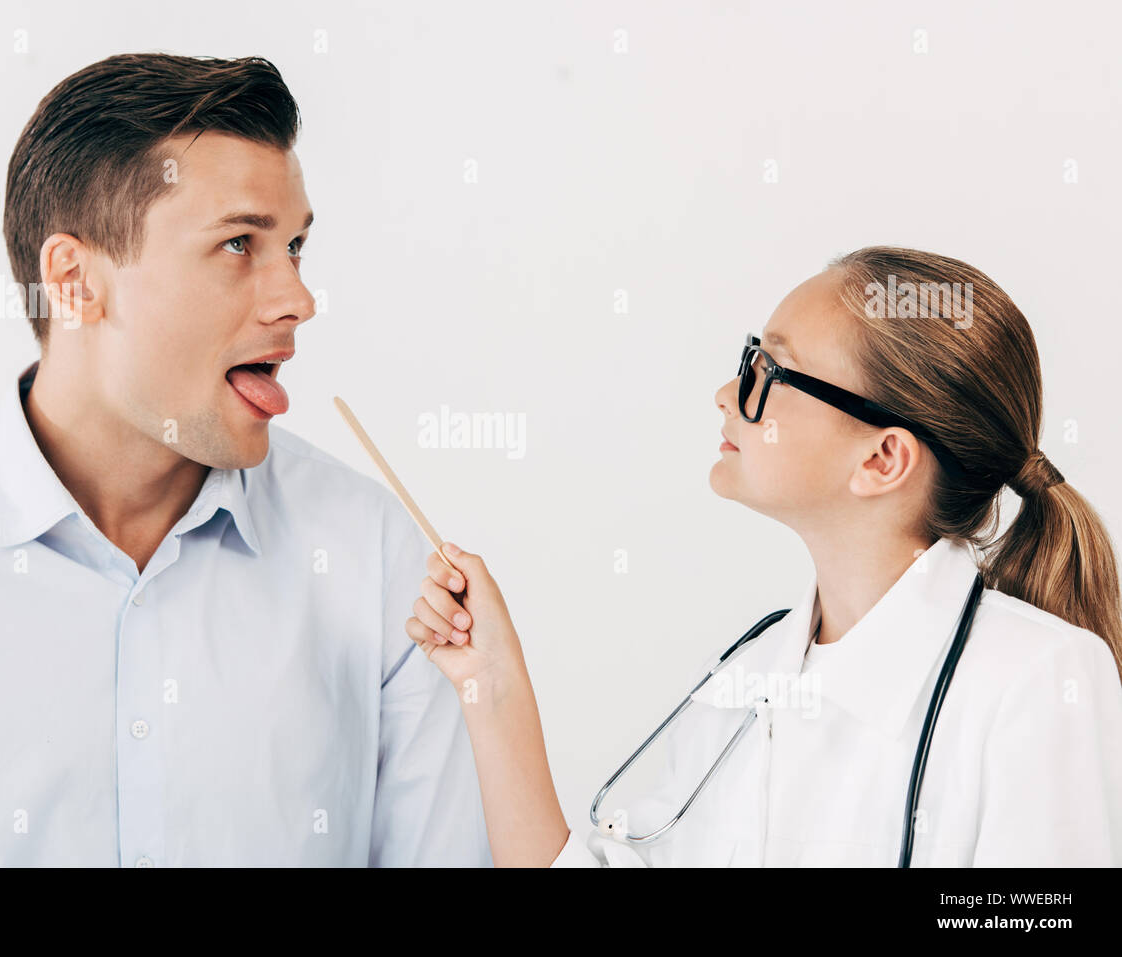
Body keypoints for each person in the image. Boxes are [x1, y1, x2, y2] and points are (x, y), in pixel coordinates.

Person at [0, 53, 490, 867]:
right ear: (75, 281)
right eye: (239, 243)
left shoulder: (376, 558)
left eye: (295, 246)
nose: (298, 299)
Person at [406, 246, 1122, 867]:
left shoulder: (1036, 677)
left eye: (769, 370)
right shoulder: (749, 674)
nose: (726, 394)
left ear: (882, 459)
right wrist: (491, 685)